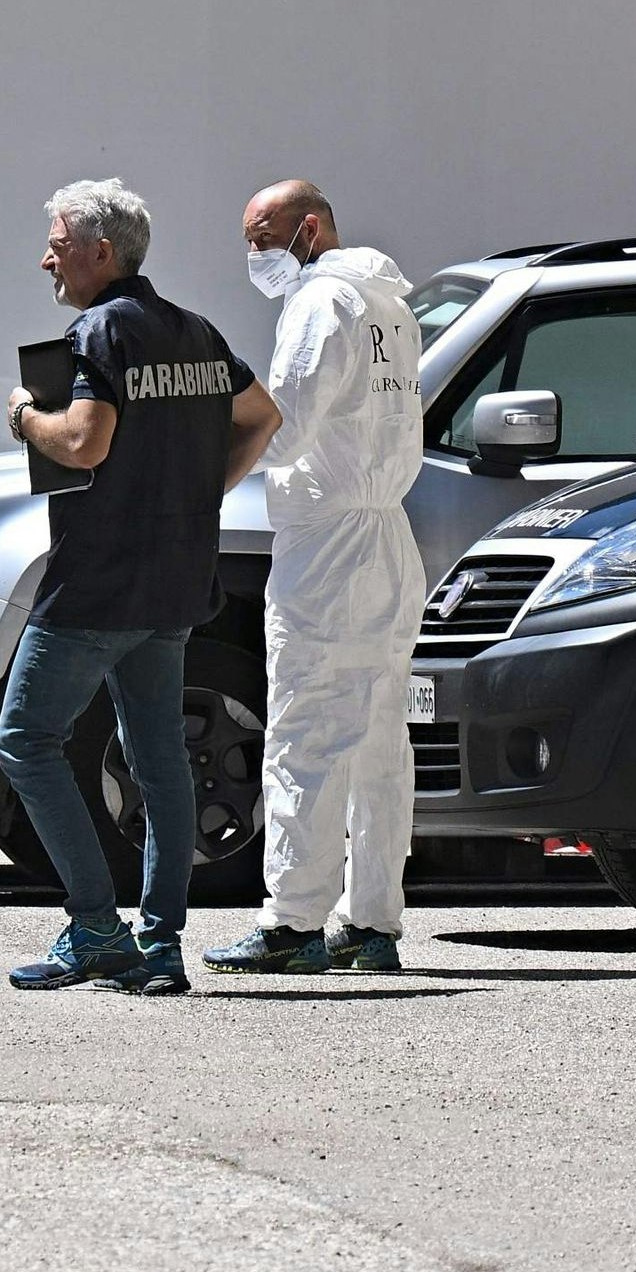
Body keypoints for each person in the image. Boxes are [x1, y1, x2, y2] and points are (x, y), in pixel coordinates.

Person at [0, 178, 279, 994]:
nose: (45, 256)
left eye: (57, 241)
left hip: (96, 588)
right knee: (161, 764)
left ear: (100, 252)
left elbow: (83, 443)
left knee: (24, 742)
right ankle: (161, 947)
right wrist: (201, 492)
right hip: (175, 586)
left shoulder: (96, 334)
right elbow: (262, 416)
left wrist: (22, 415)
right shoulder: (195, 332)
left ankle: (95, 928)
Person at [205, 181, 430, 976]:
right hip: (388, 539)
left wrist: (205, 452)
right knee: (377, 742)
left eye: (262, 236)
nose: (255, 256)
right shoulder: (391, 307)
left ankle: (293, 923)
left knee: (304, 728)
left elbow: (284, 425)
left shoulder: (317, 304)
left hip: (328, 543)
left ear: (308, 229)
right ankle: (372, 921)